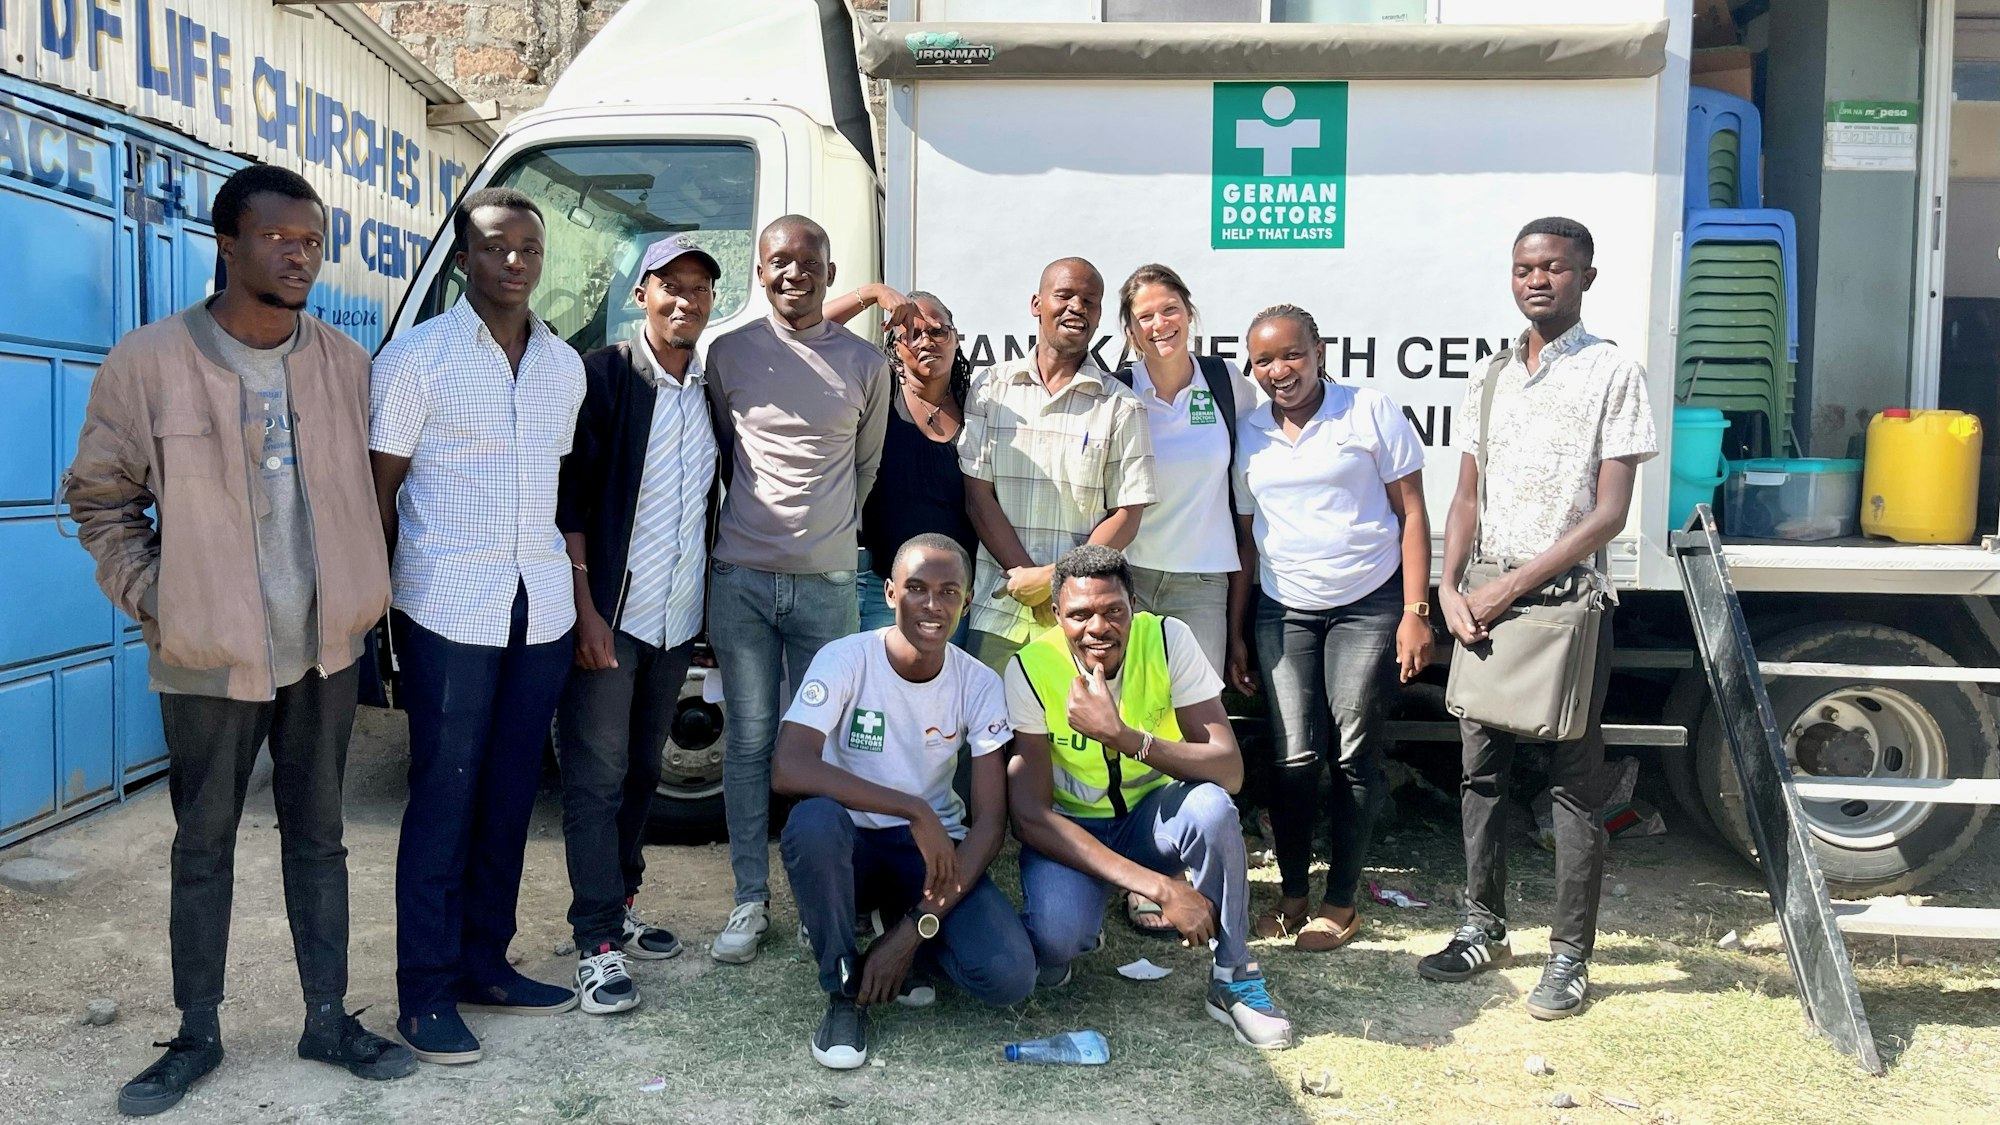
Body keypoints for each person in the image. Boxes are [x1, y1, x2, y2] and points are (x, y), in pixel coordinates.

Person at [67, 164, 416, 1115]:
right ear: (228, 243)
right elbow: (100, 497)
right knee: (204, 843)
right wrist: (159, 598)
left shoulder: (344, 362)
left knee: (321, 837)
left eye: (311, 240)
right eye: (279, 238)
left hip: (324, 649)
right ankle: (196, 1033)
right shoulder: (150, 361)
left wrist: (363, 594)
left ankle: (328, 1015)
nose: (300, 254)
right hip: (208, 654)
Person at [1418, 217, 1656, 1020]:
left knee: (1571, 790)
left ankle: (1568, 957)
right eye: (1524, 267)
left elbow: (1609, 515)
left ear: (1587, 276)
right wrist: (1448, 586)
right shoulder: (1486, 376)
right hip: (1482, 607)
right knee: (1480, 775)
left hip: (1562, 610)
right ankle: (1483, 925)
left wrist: (1509, 585)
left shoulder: (1613, 371)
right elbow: (1465, 497)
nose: (1537, 279)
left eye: (1555, 267)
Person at [370, 187, 588, 1063]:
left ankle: (484, 966)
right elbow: (377, 494)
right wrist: (373, 613)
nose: (514, 261)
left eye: (530, 249)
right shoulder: (416, 358)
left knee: (506, 797)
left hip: (537, 608)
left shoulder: (563, 367)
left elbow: (560, 490)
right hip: (447, 608)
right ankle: (423, 992)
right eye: (496, 246)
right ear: (464, 258)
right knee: (444, 795)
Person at [1004, 545, 1294, 1051]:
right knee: (1055, 940)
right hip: (1076, 833)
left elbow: (1228, 769)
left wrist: (1125, 738)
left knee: (1211, 807)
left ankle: (1234, 975)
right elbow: (1029, 818)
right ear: (1056, 615)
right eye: (1079, 615)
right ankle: (1083, 921)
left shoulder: (1165, 638)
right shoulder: (1029, 668)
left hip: (1151, 819)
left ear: (1133, 604)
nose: (1099, 627)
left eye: (1114, 610)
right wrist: (1162, 889)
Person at [773, 534, 1035, 1069]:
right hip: (850, 847)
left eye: (948, 592)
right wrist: (912, 808)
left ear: (966, 602)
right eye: (916, 588)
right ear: (890, 593)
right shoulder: (845, 658)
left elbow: (989, 824)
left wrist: (916, 929)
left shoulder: (980, 682)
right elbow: (789, 767)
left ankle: (899, 928)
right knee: (814, 822)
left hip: (927, 858)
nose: (932, 605)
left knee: (1009, 977)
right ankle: (843, 991)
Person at [704, 214, 891, 964]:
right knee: (749, 740)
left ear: (829, 271)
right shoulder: (728, 354)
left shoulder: (865, 363)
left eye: (807, 262)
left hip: (826, 585)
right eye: (778, 261)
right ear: (759, 270)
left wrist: (826, 540)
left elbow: (865, 466)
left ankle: (830, 895)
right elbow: (725, 450)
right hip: (741, 580)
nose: (792, 274)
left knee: (833, 744)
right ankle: (750, 898)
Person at [553, 234, 726, 1014]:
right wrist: (586, 609)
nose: (685, 299)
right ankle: (592, 941)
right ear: (641, 294)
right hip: (612, 617)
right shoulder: (606, 377)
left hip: (675, 616)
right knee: (593, 777)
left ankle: (620, 905)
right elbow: (572, 503)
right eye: (671, 286)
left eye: (699, 288)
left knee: (643, 773)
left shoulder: (710, 389)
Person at [1226, 304, 1433, 952]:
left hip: (1366, 604)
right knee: (1291, 758)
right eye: (1264, 360)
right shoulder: (1250, 431)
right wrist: (1237, 631)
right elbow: (1246, 541)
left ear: (1319, 350)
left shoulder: (1368, 410)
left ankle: (1340, 902)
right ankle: (1292, 895)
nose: (1279, 370)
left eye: (1292, 354)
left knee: (1353, 751)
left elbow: (1414, 513)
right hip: (1282, 608)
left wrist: (1414, 610)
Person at [960, 258, 1157, 674]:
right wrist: (1027, 579)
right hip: (1001, 605)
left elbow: (1127, 515)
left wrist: (1056, 582)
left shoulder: (1121, 406)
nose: (1077, 307)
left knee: (1076, 737)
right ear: (1037, 303)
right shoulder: (991, 387)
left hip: (1083, 621)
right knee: (989, 737)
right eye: (1065, 295)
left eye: (1089, 300)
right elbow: (978, 496)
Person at [1113, 264, 1258, 675]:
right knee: (1128, 710)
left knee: (1198, 714)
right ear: (1131, 330)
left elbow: (1261, 455)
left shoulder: (1223, 380)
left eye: (1170, 309)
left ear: (1189, 313)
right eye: (1145, 316)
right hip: (1129, 577)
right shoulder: (1117, 390)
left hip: (1203, 582)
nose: (1160, 324)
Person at [850, 291, 977, 641]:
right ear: (894, 345)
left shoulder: (978, 405)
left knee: (941, 691)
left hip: (952, 594)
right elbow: (808, 335)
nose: (927, 341)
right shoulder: (879, 395)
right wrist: (872, 292)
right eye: (912, 332)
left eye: (938, 331)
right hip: (880, 588)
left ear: (955, 339)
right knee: (872, 693)